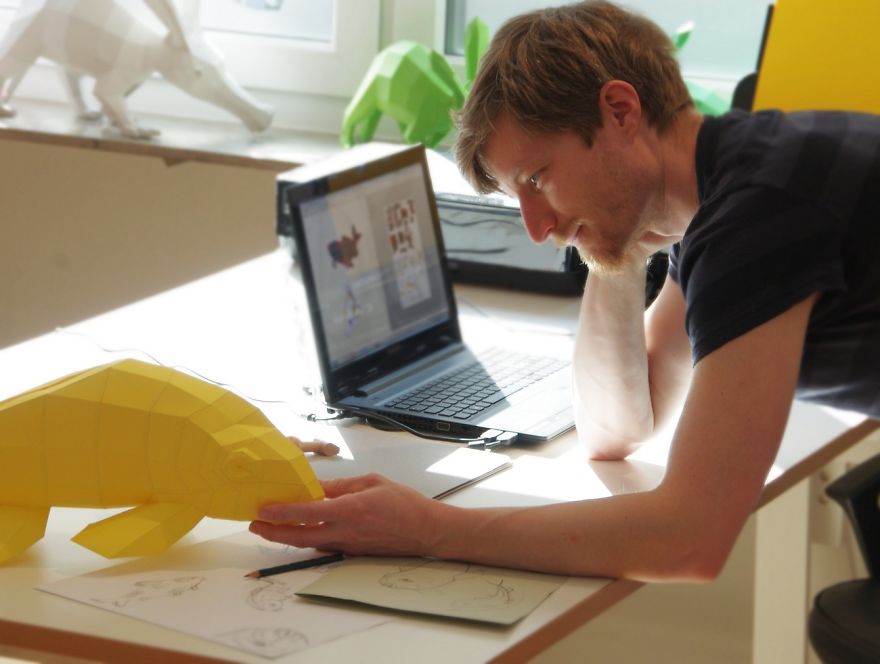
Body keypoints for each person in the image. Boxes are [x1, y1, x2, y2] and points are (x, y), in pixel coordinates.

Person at [250, 1, 880, 582]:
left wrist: (430, 529)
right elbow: (616, 429)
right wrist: (612, 244)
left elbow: (689, 538)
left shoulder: (760, 214)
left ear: (621, 112)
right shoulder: (725, 189)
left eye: (538, 178)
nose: (536, 227)